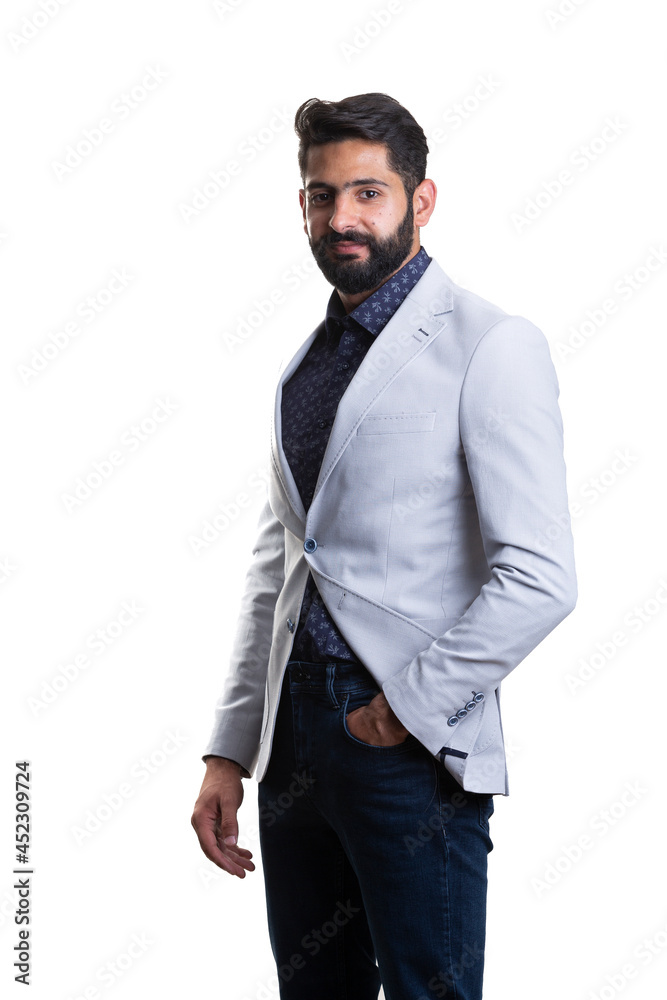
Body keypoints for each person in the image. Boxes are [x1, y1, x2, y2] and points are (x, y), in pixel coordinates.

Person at [191, 92, 577, 999]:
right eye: (322, 196)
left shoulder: (491, 345)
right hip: (290, 741)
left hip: (402, 743)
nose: (343, 217)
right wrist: (229, 750)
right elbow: (277, 571)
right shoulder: (306, 364)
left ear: (421, 199)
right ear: (302, 207)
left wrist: (401, 710)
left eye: (368, 193)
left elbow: (540, 577)